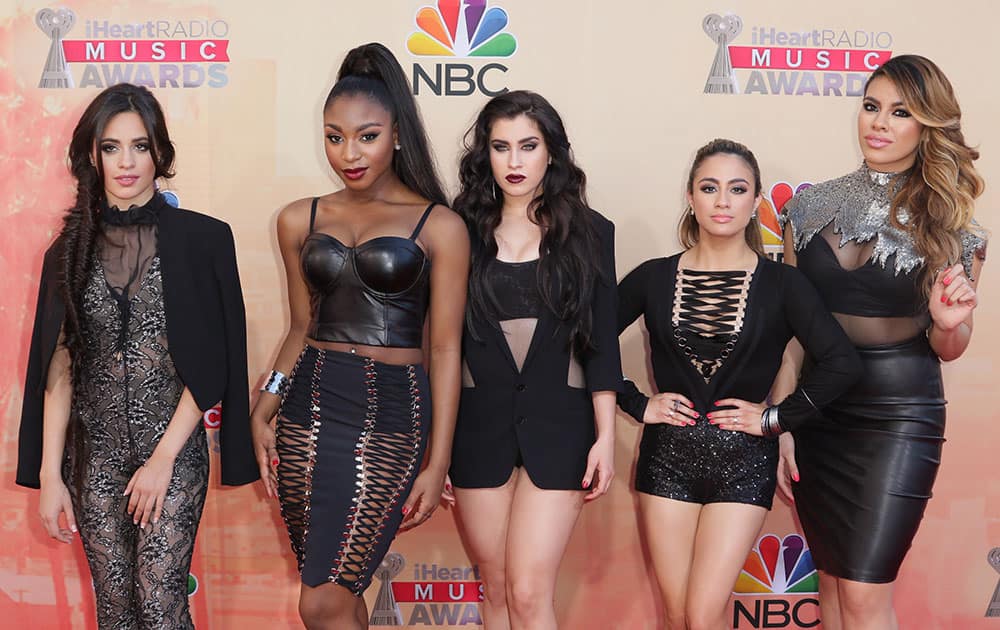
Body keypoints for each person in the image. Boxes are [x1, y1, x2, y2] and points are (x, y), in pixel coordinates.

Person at [16, 83, 256, 629]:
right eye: (111, 147)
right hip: (93, 459)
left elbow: (213, 362)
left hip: (171, 451)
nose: (126, 162)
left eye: (140, 146)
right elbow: (59, 371)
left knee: (160, 608)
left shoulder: (204, 239)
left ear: (160, 153)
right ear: (91, 155)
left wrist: (163, 460)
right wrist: (51, 476)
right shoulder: (68, 249)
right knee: (117, 614)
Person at [249, 43, 469, 630]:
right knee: (334, 596)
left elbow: (445, 348)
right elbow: (300, 328)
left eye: (366, 136)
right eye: (334, 136)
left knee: (322, 598)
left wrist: (438, 456)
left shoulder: (439, 226)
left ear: (397, 134)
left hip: (393, 411)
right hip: (308, 409)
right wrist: (265, 405)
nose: (349, 153)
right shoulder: (299, 218)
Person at [779, 54, 987, 630]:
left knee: (868, 596)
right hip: (820, 409)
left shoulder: (952, 223)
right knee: (834, 589)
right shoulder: (806, 206)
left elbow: (951, 347)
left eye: (900, 112)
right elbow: (794, 333)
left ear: (927, 125)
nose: (879, 122)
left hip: (899, 413)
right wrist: (785, 418)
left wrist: (948, 323)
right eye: (872, 107)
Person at [617, 139, 860, 630]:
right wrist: (637, 404)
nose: (723, 201)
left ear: (756, 201)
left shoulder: (784, 285)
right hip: (667, 456)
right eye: (710, 187)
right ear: (690, 196)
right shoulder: (652, 278)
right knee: (678, 614)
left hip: (744, 461)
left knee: (704, 615)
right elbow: (585, 345)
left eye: (737, 189)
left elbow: (842, 362)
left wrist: (776, 419)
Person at [446, 90, 621, 630]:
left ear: (552, 153)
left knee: (527, 591)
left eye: (528, 146)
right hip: (476, 430)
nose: (515, 162)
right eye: (501, 147)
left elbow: (602, 344)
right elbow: (440, 344)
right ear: (485, 156)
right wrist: (435, 448)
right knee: (495, 589)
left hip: (560, 429)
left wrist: (606, 435)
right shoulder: (457, 229)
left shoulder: (592, 232)